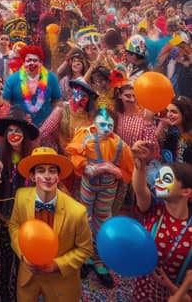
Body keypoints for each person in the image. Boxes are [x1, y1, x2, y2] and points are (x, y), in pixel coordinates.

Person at [8, 146, 93, 301]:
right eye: (41, 170)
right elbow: (14, 226)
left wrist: (57, 265)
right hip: (28, 276)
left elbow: (85, 249)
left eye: (52, 171)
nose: (47, 176)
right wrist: (22, 253)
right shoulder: (21, 197)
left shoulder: (77, 212)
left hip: (61, 282)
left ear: (58, 177)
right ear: (33, 177)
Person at [66, 107, 134, 288]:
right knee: (85, 218)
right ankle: (86, 257)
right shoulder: (84, 136)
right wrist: (86, 167)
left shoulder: (121, 145)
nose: (105, 128)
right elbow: (74, 154)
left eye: (109, 125)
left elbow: (129, 171)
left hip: (108, 189)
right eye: (102, 124)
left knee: (103, 221)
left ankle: (100, 260)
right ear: (93, 123)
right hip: (88, 185)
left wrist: (116, 171)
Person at [0, 106, 39, 301]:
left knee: (22, 257)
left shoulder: (32, 154)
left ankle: (19, 290)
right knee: (6, 255)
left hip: (26, 214)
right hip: (4, 214)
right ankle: (4, 292)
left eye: (18, 130)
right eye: (10, 130)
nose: (14, 134)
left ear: (24, 133)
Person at [132, 141, 192, 301]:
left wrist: (174, 291)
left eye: (166, 179)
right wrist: (140, 164)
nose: (158, 182)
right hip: (143, 288)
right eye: (159, 177)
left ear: (186, 191)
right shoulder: (155, 209)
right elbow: (140, 190)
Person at [3, 45, 62, 128]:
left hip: (46, 128)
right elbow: (5, 103)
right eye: (28, 60)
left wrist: (52, 120)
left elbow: (57, 101)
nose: (32, 63)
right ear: (23, 62)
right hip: (20, 128)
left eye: (35, 60)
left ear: (41, 62)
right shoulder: (12, 79)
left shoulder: (51, 78)